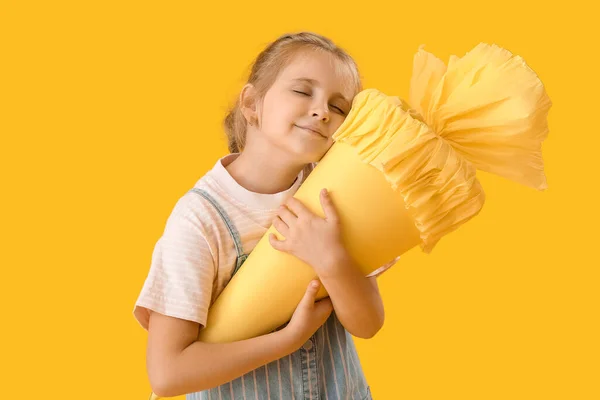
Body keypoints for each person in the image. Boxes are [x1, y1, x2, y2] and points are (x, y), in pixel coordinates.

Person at [134, 31, 399, 399]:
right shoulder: (201, 220)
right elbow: (167, 374)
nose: (322, 111)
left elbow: (368, 324)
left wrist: (331, 259)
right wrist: (287, 339)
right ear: (251, 103)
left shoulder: (338, 196)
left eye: (339, 107)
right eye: (303, 92)